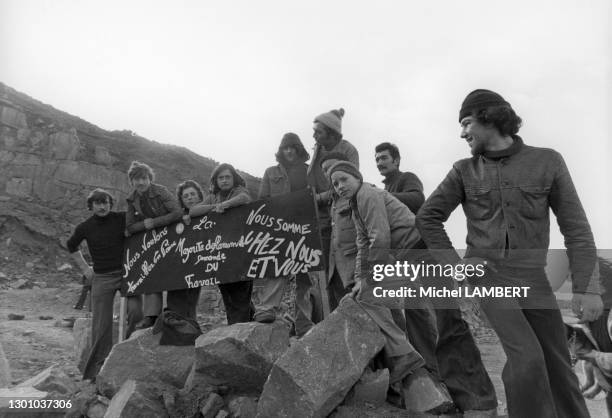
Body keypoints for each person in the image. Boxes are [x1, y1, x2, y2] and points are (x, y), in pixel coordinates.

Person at [416, 89, 602, 418]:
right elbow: (428, 217)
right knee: (527, 358)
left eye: (466, 123)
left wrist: (586, 287)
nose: (462, 133)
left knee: (559, 366)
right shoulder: (463, 170)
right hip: (488, 276)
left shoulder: (548, 161)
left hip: (533, 278)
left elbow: (575, 228)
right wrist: (457, 269)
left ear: (489, 117)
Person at [375, 142, 497, 413]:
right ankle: (436, 379)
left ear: (396, 160)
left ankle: (478, 399)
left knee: (448, 321)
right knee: (416, 319)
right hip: (405, 259)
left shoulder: (406, 180)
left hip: (427, 254)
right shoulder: (384, 190)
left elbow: (419, 200)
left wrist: (379, 198)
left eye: (384, 158)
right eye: (377, 159)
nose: (380, 162)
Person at [328, 161, 453, 413]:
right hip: (406, 253)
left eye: (344, 180)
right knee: (373, 297)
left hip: (418, 250)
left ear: (357, 177)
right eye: (335, 184)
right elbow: (364, 244)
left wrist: (369, 278)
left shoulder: (368, 194)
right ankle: (413, 361)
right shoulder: (356, 206)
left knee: (380, 299)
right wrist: (360, 278)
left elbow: (380, 237)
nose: (340, 186)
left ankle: (408, 357)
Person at [66, 188, 143, 380]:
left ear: (111, 203)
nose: (102, 206)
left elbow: (141, 223)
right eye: (98, 203)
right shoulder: (85, 227)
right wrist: (85, 269)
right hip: (102, 277)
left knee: (136, 313)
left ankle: (125, 357)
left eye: (106, 202)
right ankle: (96, 371)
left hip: (128, 274)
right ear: (91, 206)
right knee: (102, 324)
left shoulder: (121, 218)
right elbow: (71, 246)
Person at [252, 133, 315, 335]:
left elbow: (314, 195)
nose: (289, 151)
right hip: (279, 227)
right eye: (285, 148)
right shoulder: (270, 172)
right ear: (281, 151)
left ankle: (303, 323)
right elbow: (263, 200)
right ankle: (266, 310)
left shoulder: (309, 171)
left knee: (305, 276)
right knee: (277, 267)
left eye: (292, 148)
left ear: (298, 149)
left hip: (304, 228)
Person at [307, 108, 359, 321]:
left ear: (331, 133)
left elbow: (350, 182)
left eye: (318, 132)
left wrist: (319, 198)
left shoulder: (348, 150)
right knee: (326, 274)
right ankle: (333, 322)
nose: (314, 136)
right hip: (320, 219)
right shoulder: (317, 151)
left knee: (345, 270)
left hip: (342, 216)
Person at [189, 163, 254, 325]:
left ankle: (239, 330)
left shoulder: (239, 190)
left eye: (227, 177)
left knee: (241, 293)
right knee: (228, 295)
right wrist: (214, 206)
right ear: (216, 180)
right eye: (221, 178)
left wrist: (226, 205)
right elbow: (193, 211)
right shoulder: (213, 197)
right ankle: (245, 324)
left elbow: (245, 198)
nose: (224, 180)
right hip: (220, 256)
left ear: (233, 178)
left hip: (240, 253)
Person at [126, 161, 182, 329]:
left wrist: (155, 222)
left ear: (149, 179)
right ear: (132, 181)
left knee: (174, 277)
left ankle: (175, 314)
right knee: (150, 274)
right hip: (151, 243)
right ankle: (151, 316)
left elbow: (177, 212)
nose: (141, 182)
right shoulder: (131, 199)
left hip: (171, 238)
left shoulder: (161, 191)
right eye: (137, 179)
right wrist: (145, 225)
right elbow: (129, 226)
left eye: (144, 178)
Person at [319, 152, 355, 310]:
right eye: (325, 170)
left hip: (357, 268)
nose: (328, 173)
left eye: (331, 167)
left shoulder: (360, 193)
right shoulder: (333, 198)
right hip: (337, 269)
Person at [168, 179, 207, 320]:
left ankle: (191, 331)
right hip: (178, 267)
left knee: (191, 302)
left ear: (199, 196)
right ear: (182, 200)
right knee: (176, 303)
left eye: (192, 194)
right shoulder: (177, 217)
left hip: (199, 265)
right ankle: (176, 332)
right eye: (186, 196)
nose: (190, 197)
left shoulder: (208, 212)